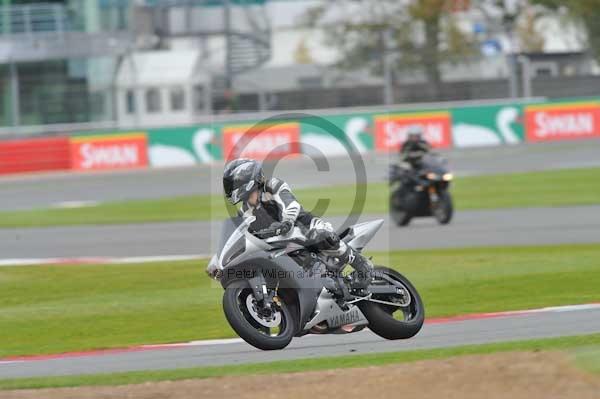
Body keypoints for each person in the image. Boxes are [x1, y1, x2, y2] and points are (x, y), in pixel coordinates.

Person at [220, 158, 373, 295]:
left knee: (320, 235)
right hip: (283, 244)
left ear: (247, 180)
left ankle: (362, 265)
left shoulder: (272, 186)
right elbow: (246, 235)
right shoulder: (245, 211)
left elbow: (290, 204)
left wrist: (286, 222)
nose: (230, 188)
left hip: (304, 226)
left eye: (232, 184)